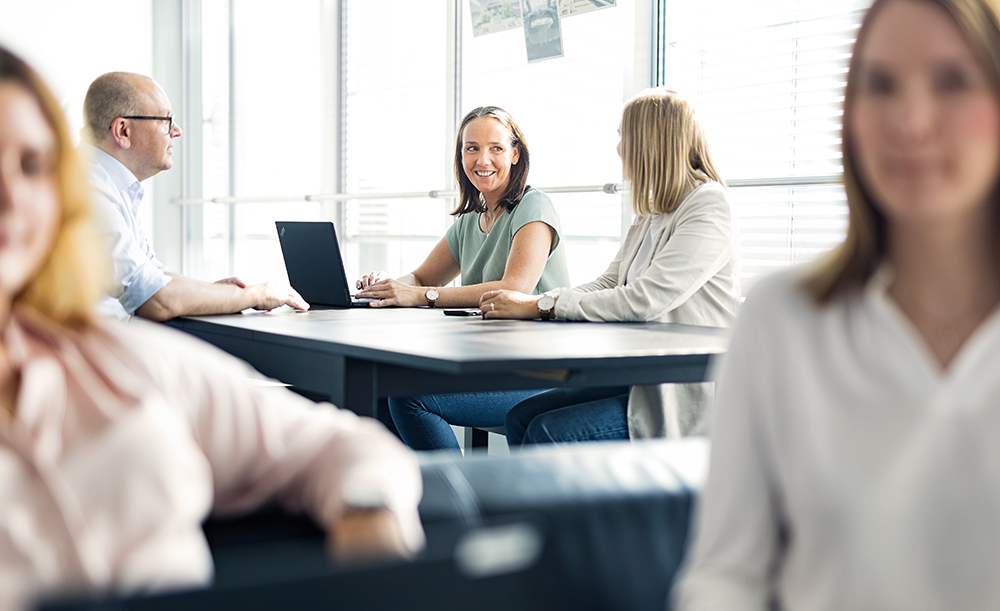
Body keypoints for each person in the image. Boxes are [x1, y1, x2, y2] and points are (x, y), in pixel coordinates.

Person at [0, 46, 423, 611]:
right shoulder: (102, 194)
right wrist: (250, 294)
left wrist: (368, 526)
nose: (12, 197)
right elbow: (154, 296)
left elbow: (341, 447)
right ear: (123, 130)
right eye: (167, 123)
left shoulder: (124, 365)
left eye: (31, 166)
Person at [673, 0, 1000, 610]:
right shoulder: (780, 321)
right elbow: (726, 577)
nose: (910, 121)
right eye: (879, 86)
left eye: (952, 81)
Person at [481, 88, 740, 444]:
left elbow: (647, 298)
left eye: (623, 135)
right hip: (642, 375)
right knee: (521, 418)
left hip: (683, 389)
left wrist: (543, 306)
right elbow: (610, 282)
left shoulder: (709, 204)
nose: (619, 147)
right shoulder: (653, 210)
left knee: (547, 431)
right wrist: (540, 304)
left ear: (650, 140)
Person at [355, 105, 570, 450]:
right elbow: (422, 276)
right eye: (472, 148)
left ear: (515, 154)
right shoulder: (471, 220)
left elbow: (514, 289)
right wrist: (389, 285)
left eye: (496, 148)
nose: (482, 159)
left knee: (411, 400)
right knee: (374, 393)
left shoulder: (535, 207)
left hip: (539, 374)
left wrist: (423, 295)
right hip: (488, 364)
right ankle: (416, 497)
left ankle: (456, 498)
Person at [83, 72, 308, 321]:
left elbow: (158, 278)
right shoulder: (86, 190)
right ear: (123, 131)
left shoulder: (111, 184)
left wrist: (216, 294)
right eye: (166, 120)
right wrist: (255, 295)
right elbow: (157, 300)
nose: (176, 131)